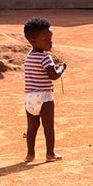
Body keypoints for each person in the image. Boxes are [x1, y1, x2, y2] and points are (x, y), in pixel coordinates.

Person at [22, 16, 66, 162]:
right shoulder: (46, 58)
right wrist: (62, 68)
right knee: (48, 126)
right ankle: (50, 153)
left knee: (32, 127)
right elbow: (53, 76)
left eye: (51, 39)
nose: (51, 42)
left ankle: (30, 154)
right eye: (47, 39)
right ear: (33, 40)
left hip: (29, 98)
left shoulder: (28, 57)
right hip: (45, 97)